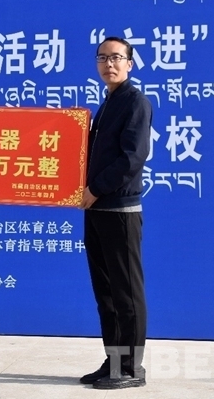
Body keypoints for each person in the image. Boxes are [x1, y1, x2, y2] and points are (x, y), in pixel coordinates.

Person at [79, 37, 152, 390]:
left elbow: (132, 158)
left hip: (119, 210)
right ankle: (114, 361)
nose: (109, 64)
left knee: (127, 294)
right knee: (106, 293)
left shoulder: (135, 102)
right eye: (103, 58)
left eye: (117, 58)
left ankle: (131, 368)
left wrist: (94, 189)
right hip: (96, 210)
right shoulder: (107, 104)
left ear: (130, 64)